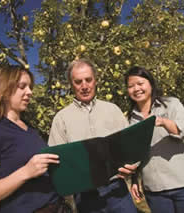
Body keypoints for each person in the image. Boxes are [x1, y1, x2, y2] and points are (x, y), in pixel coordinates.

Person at [0, 65, 64, 213]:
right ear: (4, 90)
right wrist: (25, 172)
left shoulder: (30, 129)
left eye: (30, 87)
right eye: (22, 87)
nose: (30, 92)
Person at [48, 58, 138, 213]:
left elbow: (130, 147)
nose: (84, 86)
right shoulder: (61, 118)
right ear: (71, 84)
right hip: (85, 195)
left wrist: (132, 165)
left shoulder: (112, 110)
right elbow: (56, 161)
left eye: (88, 80)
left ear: (95, 80)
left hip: (117, 189)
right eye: (78, 81)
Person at [125, 66, 184, 213]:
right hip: (155, 190)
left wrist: (163, 122)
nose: (136, 88)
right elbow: (134, 154)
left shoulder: (170, 104)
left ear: (150, 83)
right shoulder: (130, 119)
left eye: (140, 83)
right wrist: (134, 180)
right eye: (131, 86)